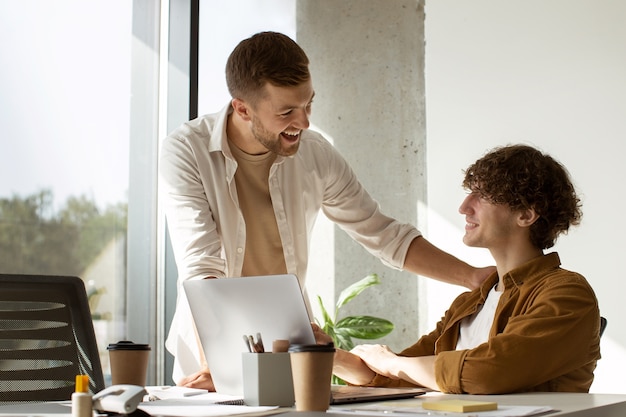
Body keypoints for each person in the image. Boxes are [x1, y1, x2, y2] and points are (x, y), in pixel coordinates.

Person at [159, 31, 493, 389]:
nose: (303, 122)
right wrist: (222, 364)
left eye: (308, 105)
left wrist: (471, 277)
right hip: (212, 357)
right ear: (242, 108)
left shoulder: (315, 154)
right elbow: (201, 270)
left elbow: (383, 235)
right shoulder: (186, 152)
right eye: (287, 112)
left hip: (293, 353)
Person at [314, 144, 601, 394]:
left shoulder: (566, 294)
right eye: (470, 194)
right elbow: (399, 377)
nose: (464, 207)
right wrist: (321, 353)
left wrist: (393, 363)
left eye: (483, 195)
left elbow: (488, 372)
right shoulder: (471, 302)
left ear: (526, 214)